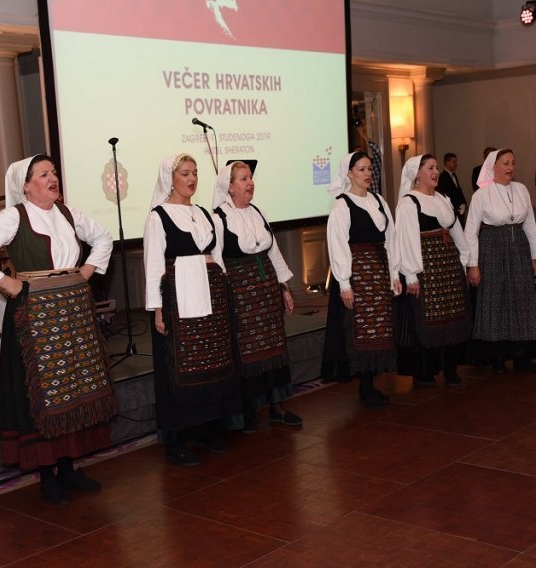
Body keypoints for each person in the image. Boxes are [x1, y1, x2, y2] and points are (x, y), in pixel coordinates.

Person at [0, 154, 117, 505]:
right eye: (44, 174)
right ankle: (47, 475)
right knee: (43, 393)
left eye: (54, 171)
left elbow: (103, 238)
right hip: (35, 315)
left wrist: (86, 271)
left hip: (72, 310)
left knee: (73, 385)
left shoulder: (69, 214)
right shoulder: (15, 217)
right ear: (26, 185)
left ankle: (69, 467)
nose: (53, 177)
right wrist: (5, 284)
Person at [143, 153, 240, 466]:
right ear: (169, 178)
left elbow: (218, 256)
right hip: (179, 297)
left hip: (210, 293)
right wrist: (157, 309)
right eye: (185, 173)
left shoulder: (203, 212)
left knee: (211, 359)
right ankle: (178, 439)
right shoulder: (158, 216)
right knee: (181, 367)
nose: (192, 179)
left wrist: (226, 293)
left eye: (195, 173)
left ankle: (210, 428)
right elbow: (154, 264)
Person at [212, 161, 302, 432]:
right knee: (247, 352)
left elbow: (273, 252)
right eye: (242, 179)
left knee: (274, 349)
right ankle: (248, 411)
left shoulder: (258, 212)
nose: (250, 183)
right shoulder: (218, 218)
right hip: (241, 294)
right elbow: (217, 262)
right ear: (228, 186)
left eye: (250, 177)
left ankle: (277, 406)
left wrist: (284, 287)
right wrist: (225, 297)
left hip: (266, 291)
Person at [321, 151, 401, 407]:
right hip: (358, 275)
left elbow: (391, 238)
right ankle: (365, 386)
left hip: (378, 273)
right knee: (359, 330)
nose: (367, 174)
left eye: (369, 169)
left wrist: (394, 273)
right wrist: (344, 283)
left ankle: (372, 381)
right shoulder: (341, 205)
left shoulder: (379, 200)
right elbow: (338, 245)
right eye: (362, 169)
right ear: (349, 173)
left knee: (378, 327)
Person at [395, 154, 471, 387]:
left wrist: (465, 259)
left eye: (437, 167)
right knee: (426, 319)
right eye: (430, 168)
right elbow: (405, 240)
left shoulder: (443, 198)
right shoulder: (409, 202)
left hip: (448, 266)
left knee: (450, 317)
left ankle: (450, 367)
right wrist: (410, 275)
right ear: (417, 174)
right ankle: (425, 371)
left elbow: (456, 229)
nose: (436, 171)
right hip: (425, 268)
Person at [465, 148, 536, 374]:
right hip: (492, 249)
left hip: (518, 248)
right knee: (495, 301)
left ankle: (521, 356)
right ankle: (496, 357)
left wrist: (534, 256)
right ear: (493, 167)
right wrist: (473, 264)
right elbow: (470, 231)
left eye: (513, 163)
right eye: (505, 163)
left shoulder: (521, 189)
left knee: (521, 300)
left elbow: (530, 225)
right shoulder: (481, 195)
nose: (510, 167)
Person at [437, 152, 467, 225]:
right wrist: (457, 207)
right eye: (454, 161)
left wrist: (464, 203)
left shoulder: (454, 176)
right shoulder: (443, 177)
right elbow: (446, 195)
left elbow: (458, 191)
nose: (456, 164)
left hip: (459, 210)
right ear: (447, 162)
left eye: (456, 161)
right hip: (452, 210)